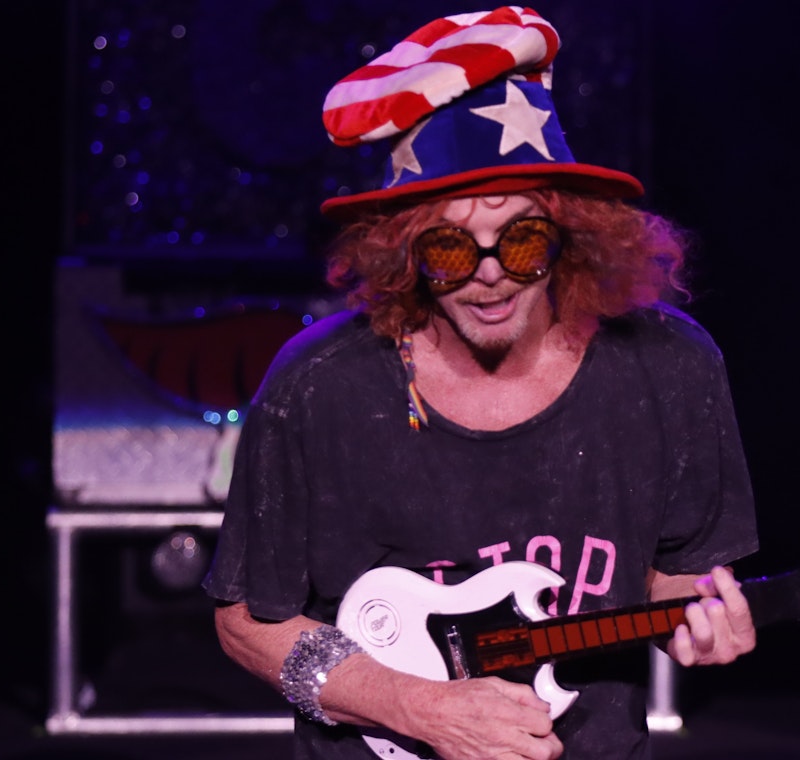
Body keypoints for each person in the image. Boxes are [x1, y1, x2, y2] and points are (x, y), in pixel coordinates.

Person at [204, 6, 760, 759]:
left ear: (571, 237)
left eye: (522, 241)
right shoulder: (317, 385)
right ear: (403, 252)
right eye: (450, 249)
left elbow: (678, 579)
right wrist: (419, 709)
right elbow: (247, 621)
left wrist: (701, 618)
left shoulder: (668, 367)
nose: (490, 274)